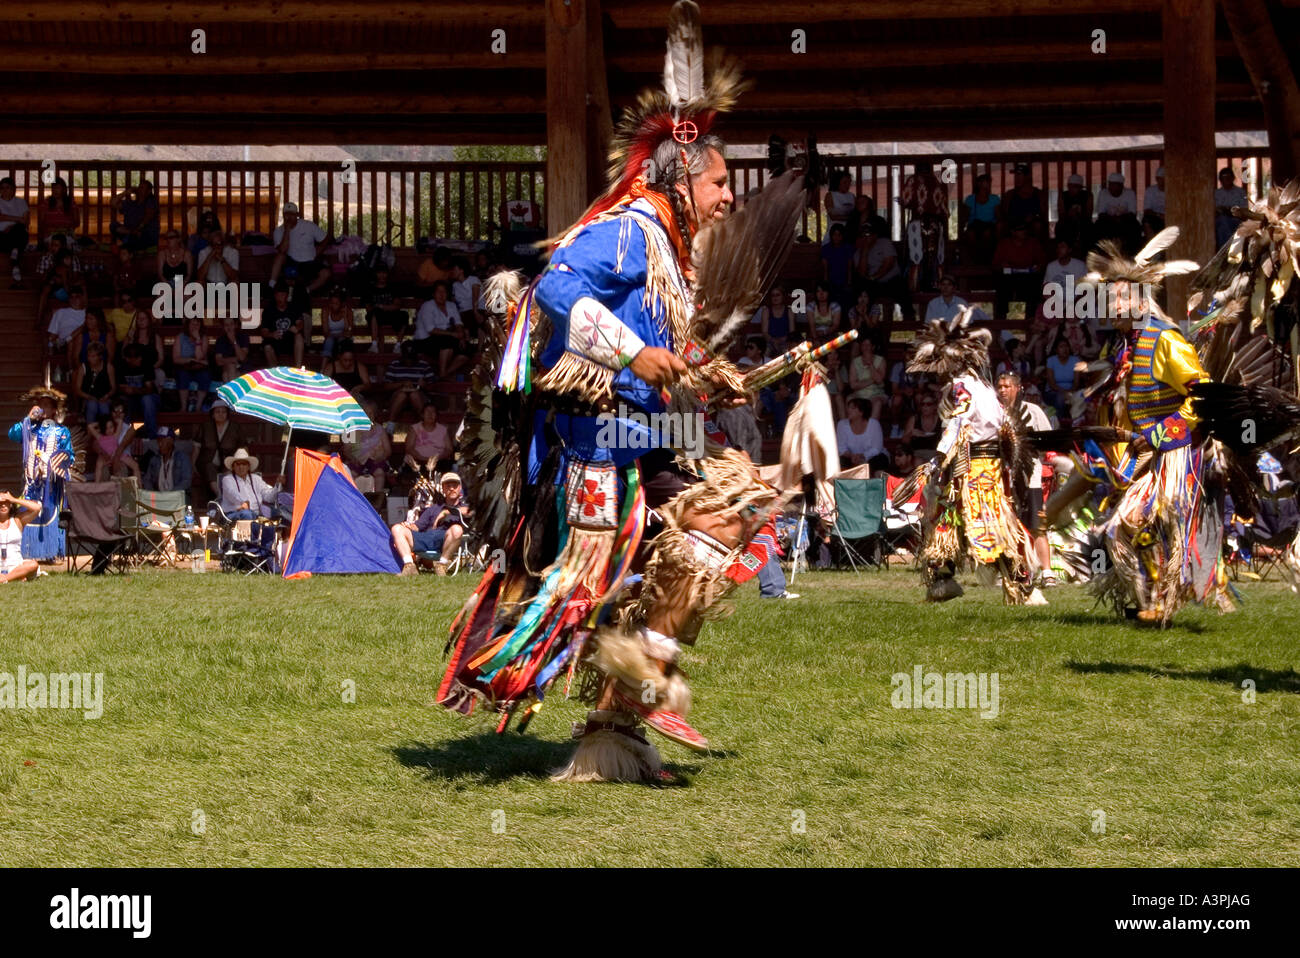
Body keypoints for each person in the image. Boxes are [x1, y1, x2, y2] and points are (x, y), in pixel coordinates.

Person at [440, 1, 789, 783]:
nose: (730, 197)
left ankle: (619, 722)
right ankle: (628, 683)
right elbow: (559, 290)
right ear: (685, 177)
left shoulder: (668, 247)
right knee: (604, 590)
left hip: (646, 435)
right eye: (723, 182)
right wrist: (638, 352)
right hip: (598, 445)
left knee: (735, 516)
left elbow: (658, 343)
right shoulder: (630, 226)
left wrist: (696, 364)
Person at [904, 308, 1039, 604]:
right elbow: (1003, 425)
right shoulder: (986, 388)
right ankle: (945, 580)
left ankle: (1017, 582)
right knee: (960, 522)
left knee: (974, 522)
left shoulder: (963, 387)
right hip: (987, 465)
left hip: (972, 469)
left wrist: (939, 456)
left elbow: (958, 422)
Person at [996, 371, 1054, 585]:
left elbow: (1049, 440)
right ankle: (1013, 570)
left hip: (1031, 477)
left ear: (1017, 388)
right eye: (999, 386)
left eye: (1006, 386)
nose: (1002, 390)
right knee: (1006, 524)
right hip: (1002, 478)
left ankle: (1047, 571)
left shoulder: (1033, 411)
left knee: (1036, 524)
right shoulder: (995, 413)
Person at [7, 387, 73, 560]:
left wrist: (53, 464)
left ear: (54, 410)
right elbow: (12, 434)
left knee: (50, 514)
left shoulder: (62, 431)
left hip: (51, 483)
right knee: (28, 513)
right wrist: (28, 418)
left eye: (46, 405)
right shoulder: (29, 427)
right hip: (31, 482)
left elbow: (69, 456)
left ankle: (51, 553)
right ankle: (29, 552)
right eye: (40, 405)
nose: (42, 408)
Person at [392, 472, 469, 575]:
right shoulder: (434, 508)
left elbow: (470, 512)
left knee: (457, 529)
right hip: (426, 537)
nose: (452, 488)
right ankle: (409, 566)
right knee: (397, 528)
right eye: (448, 486)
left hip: (445, 540)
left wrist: (446, 512)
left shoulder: (465, 507)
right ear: (443, 489)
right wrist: (407, 526)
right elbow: (417, 526)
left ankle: (441, 565)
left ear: (459, 488)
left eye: (454, 486)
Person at [269, 202, 330, 293]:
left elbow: (325, 239)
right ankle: (271, 286)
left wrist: (317, 252)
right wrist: (287, 231)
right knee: (280, 256)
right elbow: (282, 250)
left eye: (292, 214)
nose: (289, 217)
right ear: (283, 215)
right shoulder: (278, 231)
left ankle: (306, 290)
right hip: (291, 262)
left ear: (297, 215)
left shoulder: (308, 226)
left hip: (309, 262)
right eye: (287, 214)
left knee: (326, 273)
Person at [412, 280, 467, 377]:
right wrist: (453, 334)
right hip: (425, 341)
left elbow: (458, 323)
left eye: (444, 292)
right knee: (448, 342)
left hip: (446, 338)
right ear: (433, 294)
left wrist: (461, 336)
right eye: (439, 292)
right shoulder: (427, 306)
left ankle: (444, 373)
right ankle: (442, 371)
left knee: (467, 349)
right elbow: (431, 330)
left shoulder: (451, 305)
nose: (441, 295)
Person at [198, 400, 247, 498]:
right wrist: (193, 465)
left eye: (223, 412)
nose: (220, 414)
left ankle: (229, 497)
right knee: (209, 468)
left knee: (229, 473)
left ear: (227, 414)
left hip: (229, 460)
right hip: (208, 460)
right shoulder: (206, 426)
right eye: (217, 412)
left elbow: (243, 446)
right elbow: (197, 447)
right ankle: (220, 496)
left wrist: (244, 462)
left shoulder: (235, 427)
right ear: (212, 414)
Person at [343, 404, 391, 495]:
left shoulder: (380, 429)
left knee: (379, 473)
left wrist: (380, 458)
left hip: (375, 460)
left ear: (375, 415)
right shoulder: (352, 430)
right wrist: (353, 459)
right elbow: (346, 450)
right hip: (357, 460)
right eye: (365, 413)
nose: (368, 416)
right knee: (351, 473)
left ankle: (377, 500)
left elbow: (388, 450)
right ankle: (353, 499)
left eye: (371, 413)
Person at [218, 448, 278, 520]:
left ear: (248, 466)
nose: (241, 467)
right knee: (247, 514)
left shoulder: (256, 479)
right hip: (234, 513)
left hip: (257, 512)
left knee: (277, 512)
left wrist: (278, 485)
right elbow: (232, 494)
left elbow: (269, 497)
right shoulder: (227, 479)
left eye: (244, 464)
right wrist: (244, 502)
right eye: (238, 464)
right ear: (233, 467)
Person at [88, 400, 139, 481]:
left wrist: (115, 459)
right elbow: (95, 444)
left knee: (121, 471)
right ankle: (98, 489)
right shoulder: (105, 428)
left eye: (121, 411)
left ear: (125, 413)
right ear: (111, 413)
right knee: (103, 471)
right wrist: (104, 454)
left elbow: (122, 446)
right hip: (106, 458)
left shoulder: (129, 428)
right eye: (115, 411)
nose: (118, 414)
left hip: (122, 459)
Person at [0, 491, 43, 583]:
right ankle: (15, 577)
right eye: (0, 503)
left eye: (6, 502)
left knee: (32, 565)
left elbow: (37, 508)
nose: (3, 505)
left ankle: (6, 578)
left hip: (16, 567)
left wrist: (14, 499)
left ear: (10, 505)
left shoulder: (17, 521)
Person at [835, 396, 886, 472]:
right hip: (850, 457)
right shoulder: (842, 424)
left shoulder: (874, 424)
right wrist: (851, 456)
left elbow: (877, 448)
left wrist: (863, 456)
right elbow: (841, 447)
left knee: (880, 460)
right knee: (839, 461)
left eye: (853, 408)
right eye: (848, 407)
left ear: (861, 412)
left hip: (871, 457)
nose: (848, 410)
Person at [259, 285, 306, 368]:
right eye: (278, 295)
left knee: (299, 336)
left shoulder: (293, 307)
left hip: (290, 340)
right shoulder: (268, 310)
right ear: (275, 296)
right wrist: (272, 334)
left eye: (282, 295)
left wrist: (297, 328)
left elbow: (300, 323)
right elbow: (264, 331)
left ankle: (298, 370)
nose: (280, 298)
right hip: (275, 341)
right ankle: (274, 374)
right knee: (267, 347)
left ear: (287, 296)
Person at [172, 315, 211, 412]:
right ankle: (184, 407)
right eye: (192, 324)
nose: (195, 326)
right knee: (182, 375)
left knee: (205, 376)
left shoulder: (204, 338)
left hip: (199, 368)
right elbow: (176, 358)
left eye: (197, 324)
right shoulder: (180, 337)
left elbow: (199, 357)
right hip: (184, 366)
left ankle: (198, 406)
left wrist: (198, 340)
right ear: (188, 325)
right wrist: (189, 359)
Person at [404, 402, 454, 474]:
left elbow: (449, 449)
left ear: (436, 415)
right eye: (427, 411)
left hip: (439, 462)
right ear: (422, 415)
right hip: (418, 461)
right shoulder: (414, 428)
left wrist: (437, 458)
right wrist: (422, 458)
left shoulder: (443, 429)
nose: (430, 414)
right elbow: (409, 448)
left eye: (433, 412)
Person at [110, 180, 159, 252]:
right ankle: (128, 243)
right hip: (130, 232)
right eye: (139, 187)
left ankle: (125, 245)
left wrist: (139, 228)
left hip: (143, 234)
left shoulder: (151, 202)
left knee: (139, 237)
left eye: (142, 188)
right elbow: (113, 203)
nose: (139, 190)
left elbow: (148, 216)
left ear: (148, 191)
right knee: (113, 225)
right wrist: (125, 193)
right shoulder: (130, 203)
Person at [74, 341, 116, 423]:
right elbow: (78, 389)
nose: (90, 359)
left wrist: (107, 396)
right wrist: (89, 397)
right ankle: (90, 431)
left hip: (105, 398)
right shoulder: (83, 368)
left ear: (100, 356)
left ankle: (106, 432)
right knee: (92, 406)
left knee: (104, 408)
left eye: (93, 356)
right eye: (89, 356)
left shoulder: (108, 367)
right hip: (88, 398)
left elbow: (114, 388)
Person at [0, 176, 31, 286]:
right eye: (2, 188)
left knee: (20, 230)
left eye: (7, 188)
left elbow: (26, 221)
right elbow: (1, 217)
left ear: (13, 189)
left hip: (17, 234)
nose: (5, 190)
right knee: (16, 230)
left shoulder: (21, 202)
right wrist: (17, 219)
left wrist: (13, 225)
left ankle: (15, 258)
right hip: (2, 236)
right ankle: (16, 257)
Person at [143, 426, 193, 493]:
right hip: (159, 497)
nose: (160, 444)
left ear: (171, 441)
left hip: (176, 498)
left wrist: (170, 494)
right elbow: (147, 480)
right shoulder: (154, 460)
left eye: (163, 440)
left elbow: (186, 481)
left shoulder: (182, 458)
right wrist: (154, 494)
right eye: (158, 441)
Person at [1213, 167, 1249, 248]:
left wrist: (1230, 210)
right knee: (1223, 223)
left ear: (1233, 178)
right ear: (1220, 180)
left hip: (1237, 220)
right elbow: (1215, 210)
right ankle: (1225, 248)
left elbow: (1244, 209)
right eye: (1224, 178)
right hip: (1221, 220)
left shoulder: (1240, 192)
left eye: (1228, 177)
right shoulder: (1217, 194)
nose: (1226, 180)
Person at [38, 177, 80, 243]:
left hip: (67, 235)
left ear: (63, 189)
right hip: (50, 235)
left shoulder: (71, 203)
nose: (55, 190)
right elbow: (41, 222)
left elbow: (77, 222)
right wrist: (50, 229)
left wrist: (67, 229)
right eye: (53, 188)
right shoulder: (46, 203)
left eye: (58, 188)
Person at [319, 287, 354, 360]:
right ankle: (323, 368)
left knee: (343, 342)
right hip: (330, 337)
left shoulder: (348, 312)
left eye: (336, 303)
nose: (333, 306)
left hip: (344, 339)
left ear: (342, 304)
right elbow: (325, 332)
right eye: (332, 303)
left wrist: (344, 317)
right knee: (329, 341)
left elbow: (349, 331)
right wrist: (338, 335)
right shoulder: (326, 311)